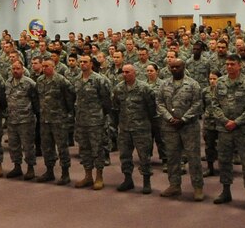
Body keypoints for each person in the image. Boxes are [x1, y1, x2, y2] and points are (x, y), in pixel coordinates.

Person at [211, 54, 245, 208]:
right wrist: (225, 121)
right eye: (227, 64)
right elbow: (214, 105)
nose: (229, 66)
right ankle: (226, 191)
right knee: (224, 161)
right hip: (225, 129)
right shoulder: (220, 83)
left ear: (240, 65)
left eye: (232, 64)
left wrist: (237, 122)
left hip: (243, 129)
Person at [156, 59, 205, 201]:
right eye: (172, 67)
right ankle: (174, 185)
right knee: (172, 157)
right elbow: (159, 103)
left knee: (193, 157)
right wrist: (169, 118)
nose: (174, 69)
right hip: (170, 126)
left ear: (184, 67)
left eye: (177, 67)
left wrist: (183, 119)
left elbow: (197, 104)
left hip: (188, 126)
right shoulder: (164, 84)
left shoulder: (193, 84)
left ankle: (197, 187)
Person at [112, 64, 158, 194]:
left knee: (144, 156)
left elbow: (152, 109)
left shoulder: (144, 88)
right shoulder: (118, 89)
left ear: (134, 73)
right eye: (123, 72)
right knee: (125, 156)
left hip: (141, 128)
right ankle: (128, 179)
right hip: (125, 128)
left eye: (128, 72)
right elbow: (115, 107)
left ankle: (146, 181)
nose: (125, 74)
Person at [71, 54, 112, 190]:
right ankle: (88, 175)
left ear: (91, 64)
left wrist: (101, 116)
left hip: (96, 121)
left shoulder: (100, 80)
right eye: (81, 62)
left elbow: (107, 101)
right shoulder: (76, 80)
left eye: (85, 62)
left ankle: (99, 176)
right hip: (81, 120)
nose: (82, 64)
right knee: (84, 149)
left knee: (97, 149)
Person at [35, 59, 75, 185]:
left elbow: (70, 97)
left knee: (62, 147)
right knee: (47, 147)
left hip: (59, 119)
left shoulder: (61, 80)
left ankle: (65, 173)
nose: (45, 68)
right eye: (43, 66)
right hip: (45, 119)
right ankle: (49, 171)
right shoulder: (40, 81)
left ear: (53, 67)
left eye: (47, 66)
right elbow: (38, 98)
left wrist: (67, 113)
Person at [4, 60, 39, 180]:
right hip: (12, 119)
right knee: (13, 145)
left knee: (28, 145)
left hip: (26, 119)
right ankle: (17, 166)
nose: (15, 71)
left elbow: (36, 101)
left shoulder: (29, 83)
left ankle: (30, 168)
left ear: (23, 70)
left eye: (18, 68)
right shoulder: (8, 82)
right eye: (13, 69)